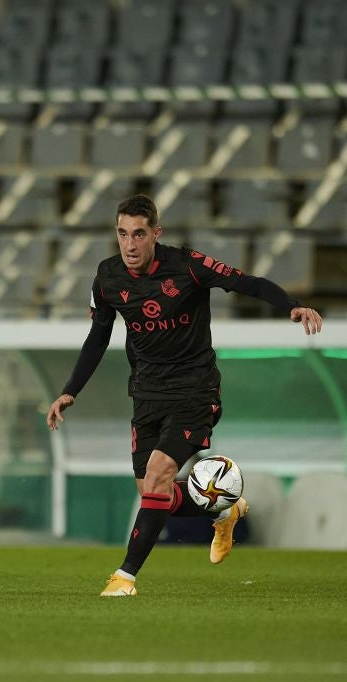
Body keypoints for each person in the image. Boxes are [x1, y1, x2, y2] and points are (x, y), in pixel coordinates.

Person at [45, 194, 322, 596]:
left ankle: (124, 578)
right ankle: (225, 509)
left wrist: (291, 306)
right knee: (152, 491)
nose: (130, 244)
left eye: (139, 234)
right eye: (122, 234)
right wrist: (70, 391)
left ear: (155, 234)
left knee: (158, 474)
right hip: (147, 394)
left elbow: (248, 282)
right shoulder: (107, 278)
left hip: (195, 391)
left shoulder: (188, 267)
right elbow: (97, 337)